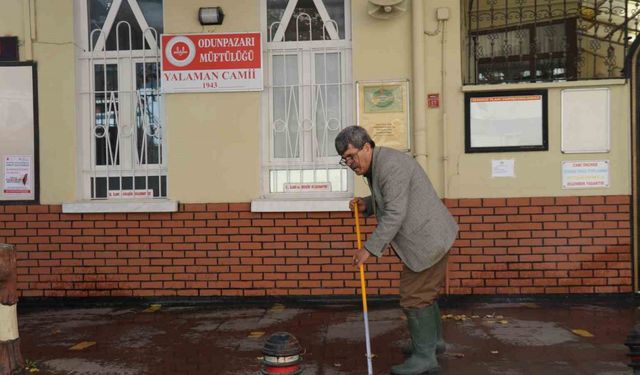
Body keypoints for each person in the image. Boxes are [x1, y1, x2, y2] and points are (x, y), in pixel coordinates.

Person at [334, 126, 458, 375]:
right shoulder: (379, 164)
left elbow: (395, 213)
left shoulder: (390, 166)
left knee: (415, 296)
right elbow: (392, 198)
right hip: (429, 237)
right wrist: (367, 205)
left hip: (428, 240)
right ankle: (433, 344)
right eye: (344, 159)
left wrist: (368, 249)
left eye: (351, 156)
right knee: (424, 293)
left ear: (367, 147)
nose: (349, 163)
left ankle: (425, 357)